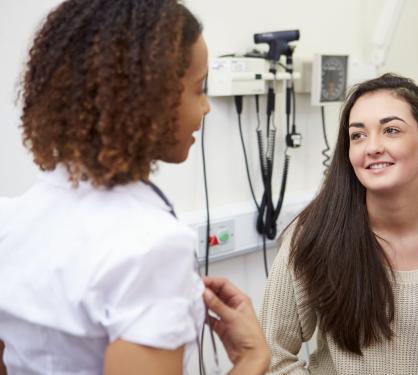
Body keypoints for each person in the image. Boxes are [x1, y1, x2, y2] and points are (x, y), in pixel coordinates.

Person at [0, 0, 269, 374]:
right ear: (150, 98)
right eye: (198, 88)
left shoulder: (11, 219)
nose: (206, 107)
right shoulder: (150, 246)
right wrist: (252, 359)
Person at [260, 73, 418, 374]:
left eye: (391, 130)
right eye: (357, 135)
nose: (372, 146)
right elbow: (270, 356)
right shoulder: (315, 233)